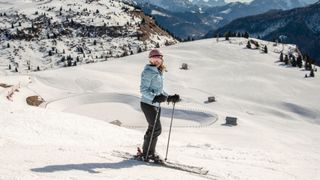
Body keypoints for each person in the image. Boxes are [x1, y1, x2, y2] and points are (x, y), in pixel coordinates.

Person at [139, 49, 180, 161]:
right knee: (156, 129)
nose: (156, 61)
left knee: (153, 129)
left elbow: (159, 91)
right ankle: (148, 153)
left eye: (158, 58)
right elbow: (143, 90)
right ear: (150, 60)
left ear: (162, 59)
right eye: (153, 58)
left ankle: (147, 152)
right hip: (148, 104)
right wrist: (155, 98)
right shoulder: (148, 71)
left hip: (156, 104)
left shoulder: (158, 71)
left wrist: (169, 97)